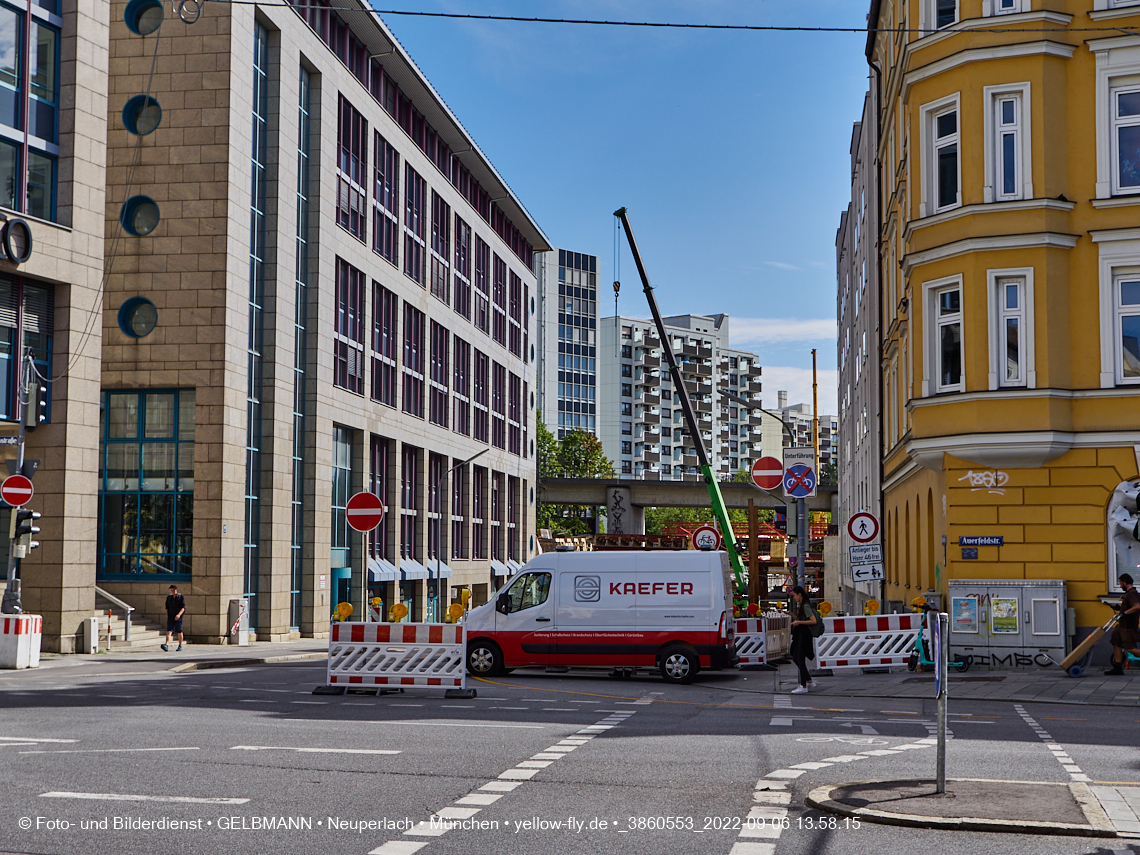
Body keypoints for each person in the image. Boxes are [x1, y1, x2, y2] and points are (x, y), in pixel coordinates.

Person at [1105, 573, 1140, 675]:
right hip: (1121, 626)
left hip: (1128, 627)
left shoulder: (1132, 593)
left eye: (1120, 583)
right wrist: (1118, 608)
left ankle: (1118, 667)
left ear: (1125, 583)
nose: (1120, 586)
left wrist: (1124, 613)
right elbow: (1129, 606)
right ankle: (1118, 667)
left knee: (1130, 648)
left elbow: (1137, 606)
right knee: (1116, 642)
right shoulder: (1128, 594)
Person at [788, 585, 819, 694]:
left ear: (799, 594)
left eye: (795, 595)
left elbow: (813, 621)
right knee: (796, 657)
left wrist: (798, 622)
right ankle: (808, 680)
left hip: (804, 635)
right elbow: (802, 619)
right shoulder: (802, 605)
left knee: (799, 658)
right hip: (801, 634)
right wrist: (792, 615)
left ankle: (803, 686)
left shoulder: (805, 606)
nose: (794, 598)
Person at [162, 584, 185, 652]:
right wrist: (168, 615)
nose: (172, 591)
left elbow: (183, 607)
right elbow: (167, 607)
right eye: (171, 590)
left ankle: (180, 645)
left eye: (173, 590)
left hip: (178, 617)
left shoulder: (181, 597)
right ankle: (166, 644)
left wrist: (179, 615)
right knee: (169, 630)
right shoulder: (169, 597)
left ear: (177, 590)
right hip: (171, 616)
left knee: (179, 631)